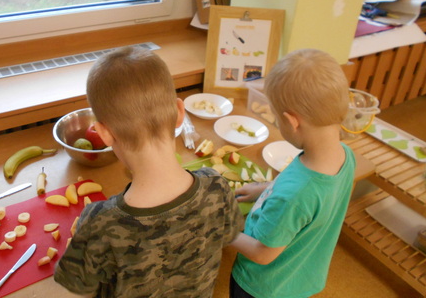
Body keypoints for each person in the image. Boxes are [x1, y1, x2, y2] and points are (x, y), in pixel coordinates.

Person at [54, 46, 244, 297]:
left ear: (104, 134)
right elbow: (229, 235)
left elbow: (77, 286)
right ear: (179, 113)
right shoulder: (217, 187)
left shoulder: (99, 223)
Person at [230, 48, 355, 298]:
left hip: (262, 287)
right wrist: (265, 188)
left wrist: (223, 229)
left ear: (292, 121)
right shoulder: (344, 154)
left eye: (277, 118)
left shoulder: (295, 195)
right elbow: (312, 206)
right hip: (298, 277)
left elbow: (262, 253)